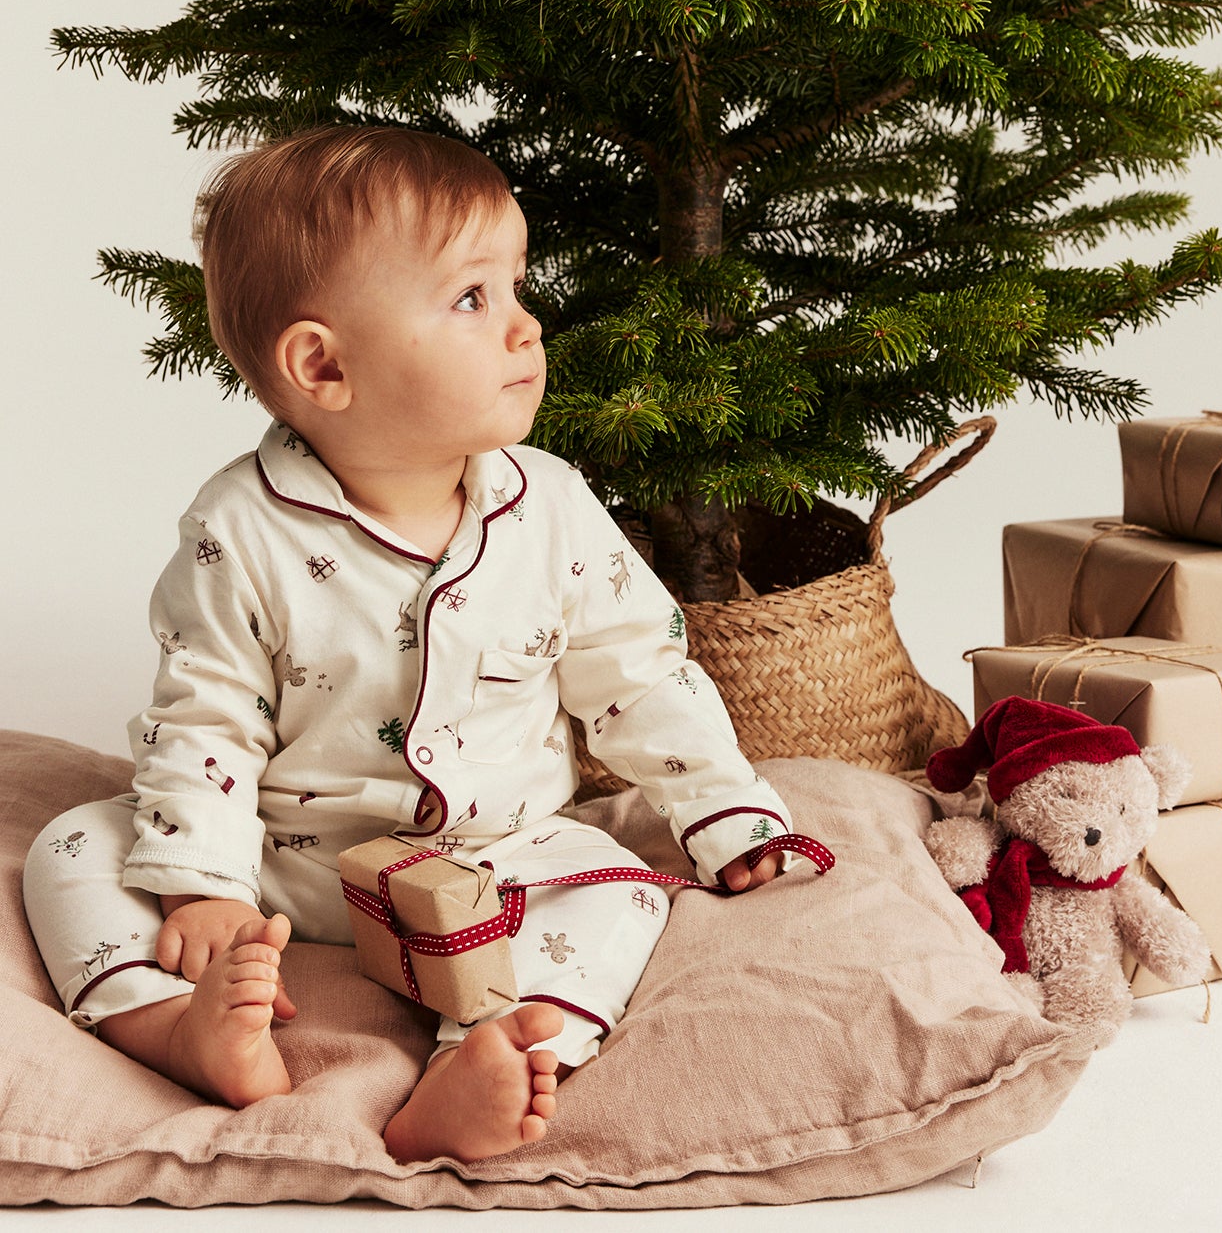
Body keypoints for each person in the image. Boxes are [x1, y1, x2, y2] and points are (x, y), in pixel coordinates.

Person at [23, 126, 806, 1163]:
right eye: (472, 299)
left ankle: (475, 1060)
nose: (525, 328)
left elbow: (638, 673)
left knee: (615, 891)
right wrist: (203, 882)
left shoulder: (550, 507)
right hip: (287, 865)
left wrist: (718, 805)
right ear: (325, 363)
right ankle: (179, 1033)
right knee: (72, 849)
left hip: (499, 857)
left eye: (516, 287)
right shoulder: (240, 529)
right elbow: (203, 714)